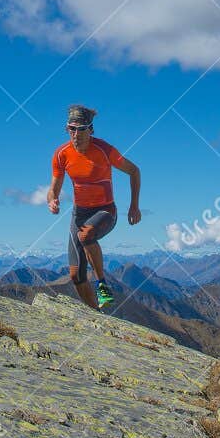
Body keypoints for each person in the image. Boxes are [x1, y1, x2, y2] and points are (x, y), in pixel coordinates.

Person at [48, 104, 141, 310]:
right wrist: (52, 200)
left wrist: (134, 206)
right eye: (72, 128)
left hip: (105, 211)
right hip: (78, 214)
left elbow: (134, 171)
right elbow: (53, 188)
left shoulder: (104, 150)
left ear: (91, 130)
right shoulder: (61, 155)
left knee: (86, 235)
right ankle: (96, 316)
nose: (76, 134)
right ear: (67, 129)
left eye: (81, 129)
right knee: (75, 274)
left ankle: (102, 284)